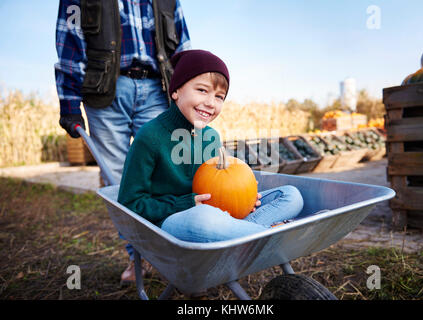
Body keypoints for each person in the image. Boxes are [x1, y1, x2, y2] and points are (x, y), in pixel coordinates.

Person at [54, 0, 191, 283]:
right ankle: (138, 257)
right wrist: (69, 102)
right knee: (117, 181)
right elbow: (69, 42)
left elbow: (183, 49)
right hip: (105, 91)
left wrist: (191, 94)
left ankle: (172, 252)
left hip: (158, 89)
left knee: (167, 174)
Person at [118, 50, 304, 243]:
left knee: (291, 196)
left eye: (219, 96)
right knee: (204, 220)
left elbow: (217, 185)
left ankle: (249, 231)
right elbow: (130, 203)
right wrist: (184, 203)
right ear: (176, 91)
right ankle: (275, 234)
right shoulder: (150, 136)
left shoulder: (211, 137)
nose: (210, 103)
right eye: (202, 90)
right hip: (172, 220)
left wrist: (244, 198)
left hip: (215, 212)